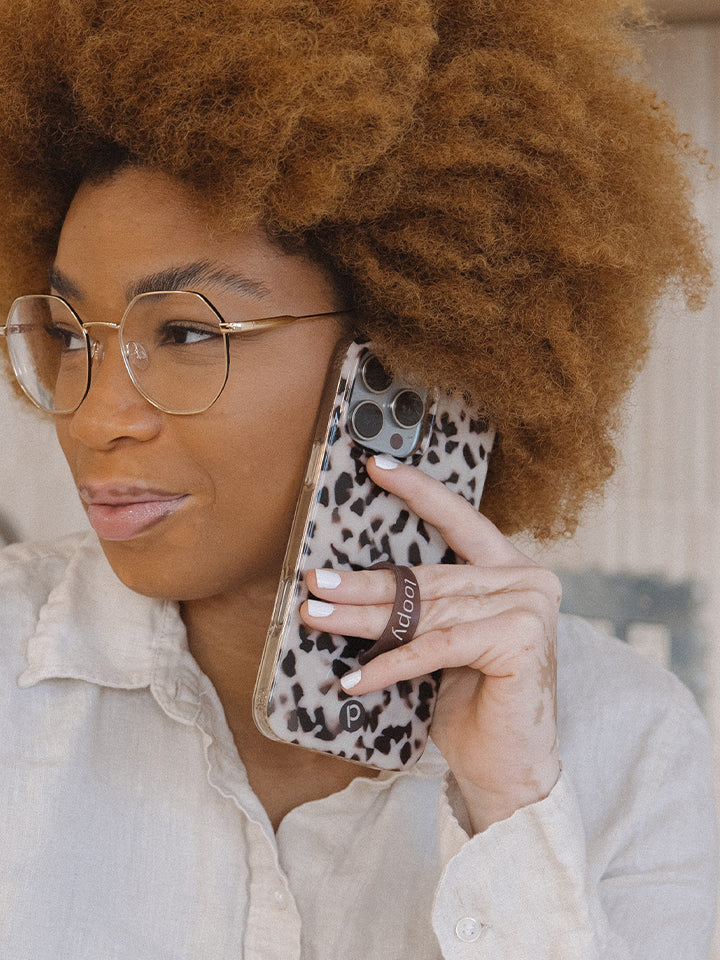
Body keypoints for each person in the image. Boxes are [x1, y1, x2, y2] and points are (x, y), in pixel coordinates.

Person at [0, 1, 715, 957]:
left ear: (416, 353)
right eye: (68, 335)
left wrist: (511, 811)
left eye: (186, 333)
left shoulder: (627, 742)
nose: (91, 417)